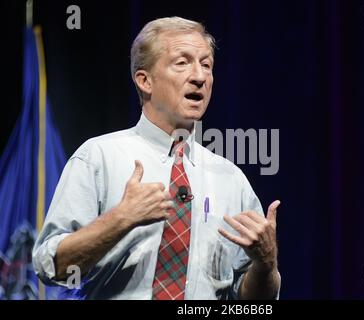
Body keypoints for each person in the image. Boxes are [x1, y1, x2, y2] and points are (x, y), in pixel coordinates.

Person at [32, 16, 281, 300]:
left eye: (206, 64)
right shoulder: (98, 157)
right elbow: (50, 267)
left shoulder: (231, 180)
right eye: (182, 62)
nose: (199, 76)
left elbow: (253, 302)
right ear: (145, 80)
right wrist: (120, 219)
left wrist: (265, 264)